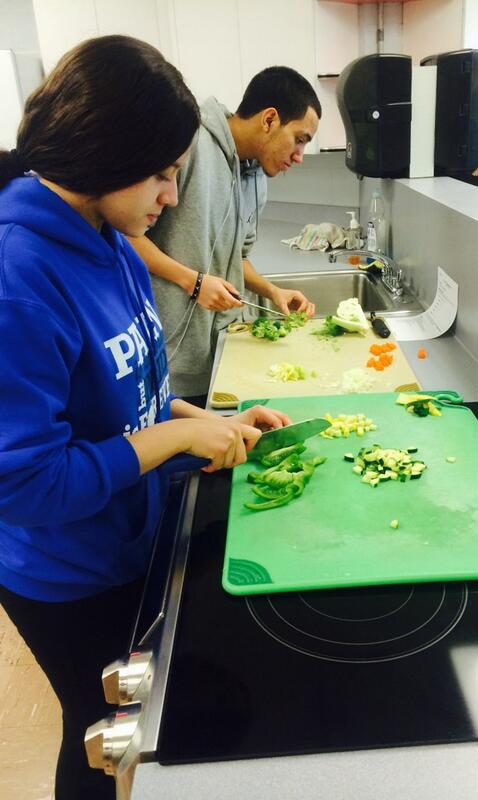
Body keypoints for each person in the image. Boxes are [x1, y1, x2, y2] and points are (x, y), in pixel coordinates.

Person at [0, 35, 289, 800]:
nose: (169, 197)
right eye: (162, 174)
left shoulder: (116, 242)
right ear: (106, 153)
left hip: (128, 539)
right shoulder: (17, 274)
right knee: (97, 734)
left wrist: (213, 422)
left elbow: (141, 401)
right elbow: (24, 484)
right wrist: (179, 437)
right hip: (64, 574)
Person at [129, 66, 322, 406]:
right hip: (172, 359)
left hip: (221, 352)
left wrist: (271, 291)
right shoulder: (188, 143)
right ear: (269, 120)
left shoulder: (257, 177)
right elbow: (126, 237)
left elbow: (236, 259)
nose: (299, 156)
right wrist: (194, 282)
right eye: (299, 139)